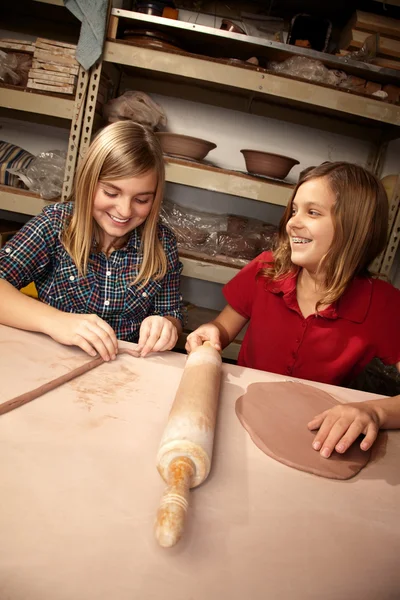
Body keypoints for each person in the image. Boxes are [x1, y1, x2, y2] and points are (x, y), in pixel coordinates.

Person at [186, 162, 400, 458]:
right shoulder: (265, 270)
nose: (292, 223)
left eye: (312, 212)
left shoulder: (382, 303)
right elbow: (221, 330)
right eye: (294, 210)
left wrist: (373, 411)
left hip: (315, 435)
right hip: (238, 414)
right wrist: (211, 332)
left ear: (356, 228)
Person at [0, 121, 183, 360]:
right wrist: (56, 322)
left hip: (124, 372)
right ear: (88, 182)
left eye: (141, 199)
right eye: (111, 193)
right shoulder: (56, 225)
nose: (125, 210)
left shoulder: (162, 243)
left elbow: (171, 313)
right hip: (51, 361)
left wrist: (166, 326)